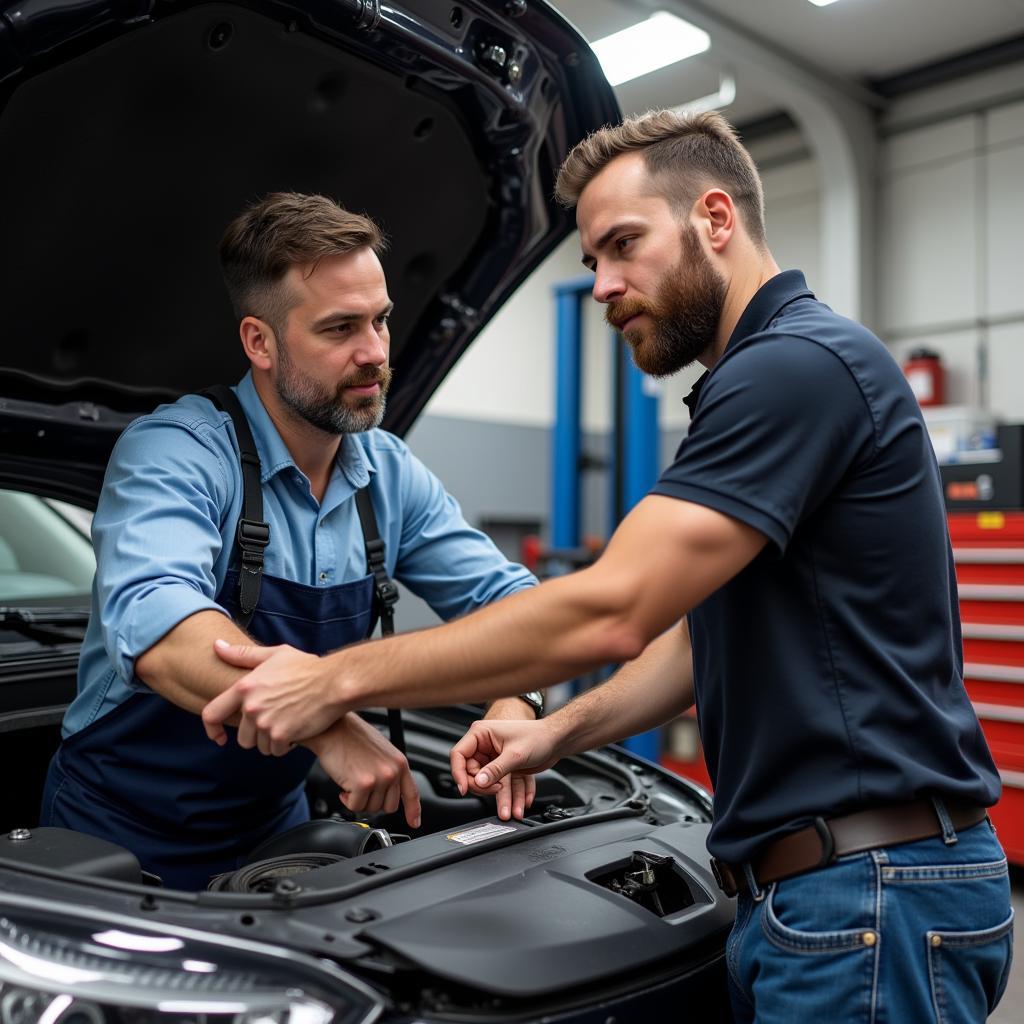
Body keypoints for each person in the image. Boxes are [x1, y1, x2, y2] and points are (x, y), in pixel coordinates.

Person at [203, 115, 1012, 1021]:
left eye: (623, 245)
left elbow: (610, 610)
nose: (603, 285)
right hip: (825, 894)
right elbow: (697, 646)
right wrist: (557, 736)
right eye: (591, 261)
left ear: (714, 218)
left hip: (868, 898)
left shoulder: (794, 369)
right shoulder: (766, 376)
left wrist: (333, 679)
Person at [40, 192, 543, 890]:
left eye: (382, 320)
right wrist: (328, 726)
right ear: (260, 342)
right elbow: (158, 627)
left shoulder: (388, 474)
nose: (374, 353)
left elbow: (516, 606)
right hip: (117, 839)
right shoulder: (177, 452)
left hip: (276, 836)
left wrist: (518, 702)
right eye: (340, 328)